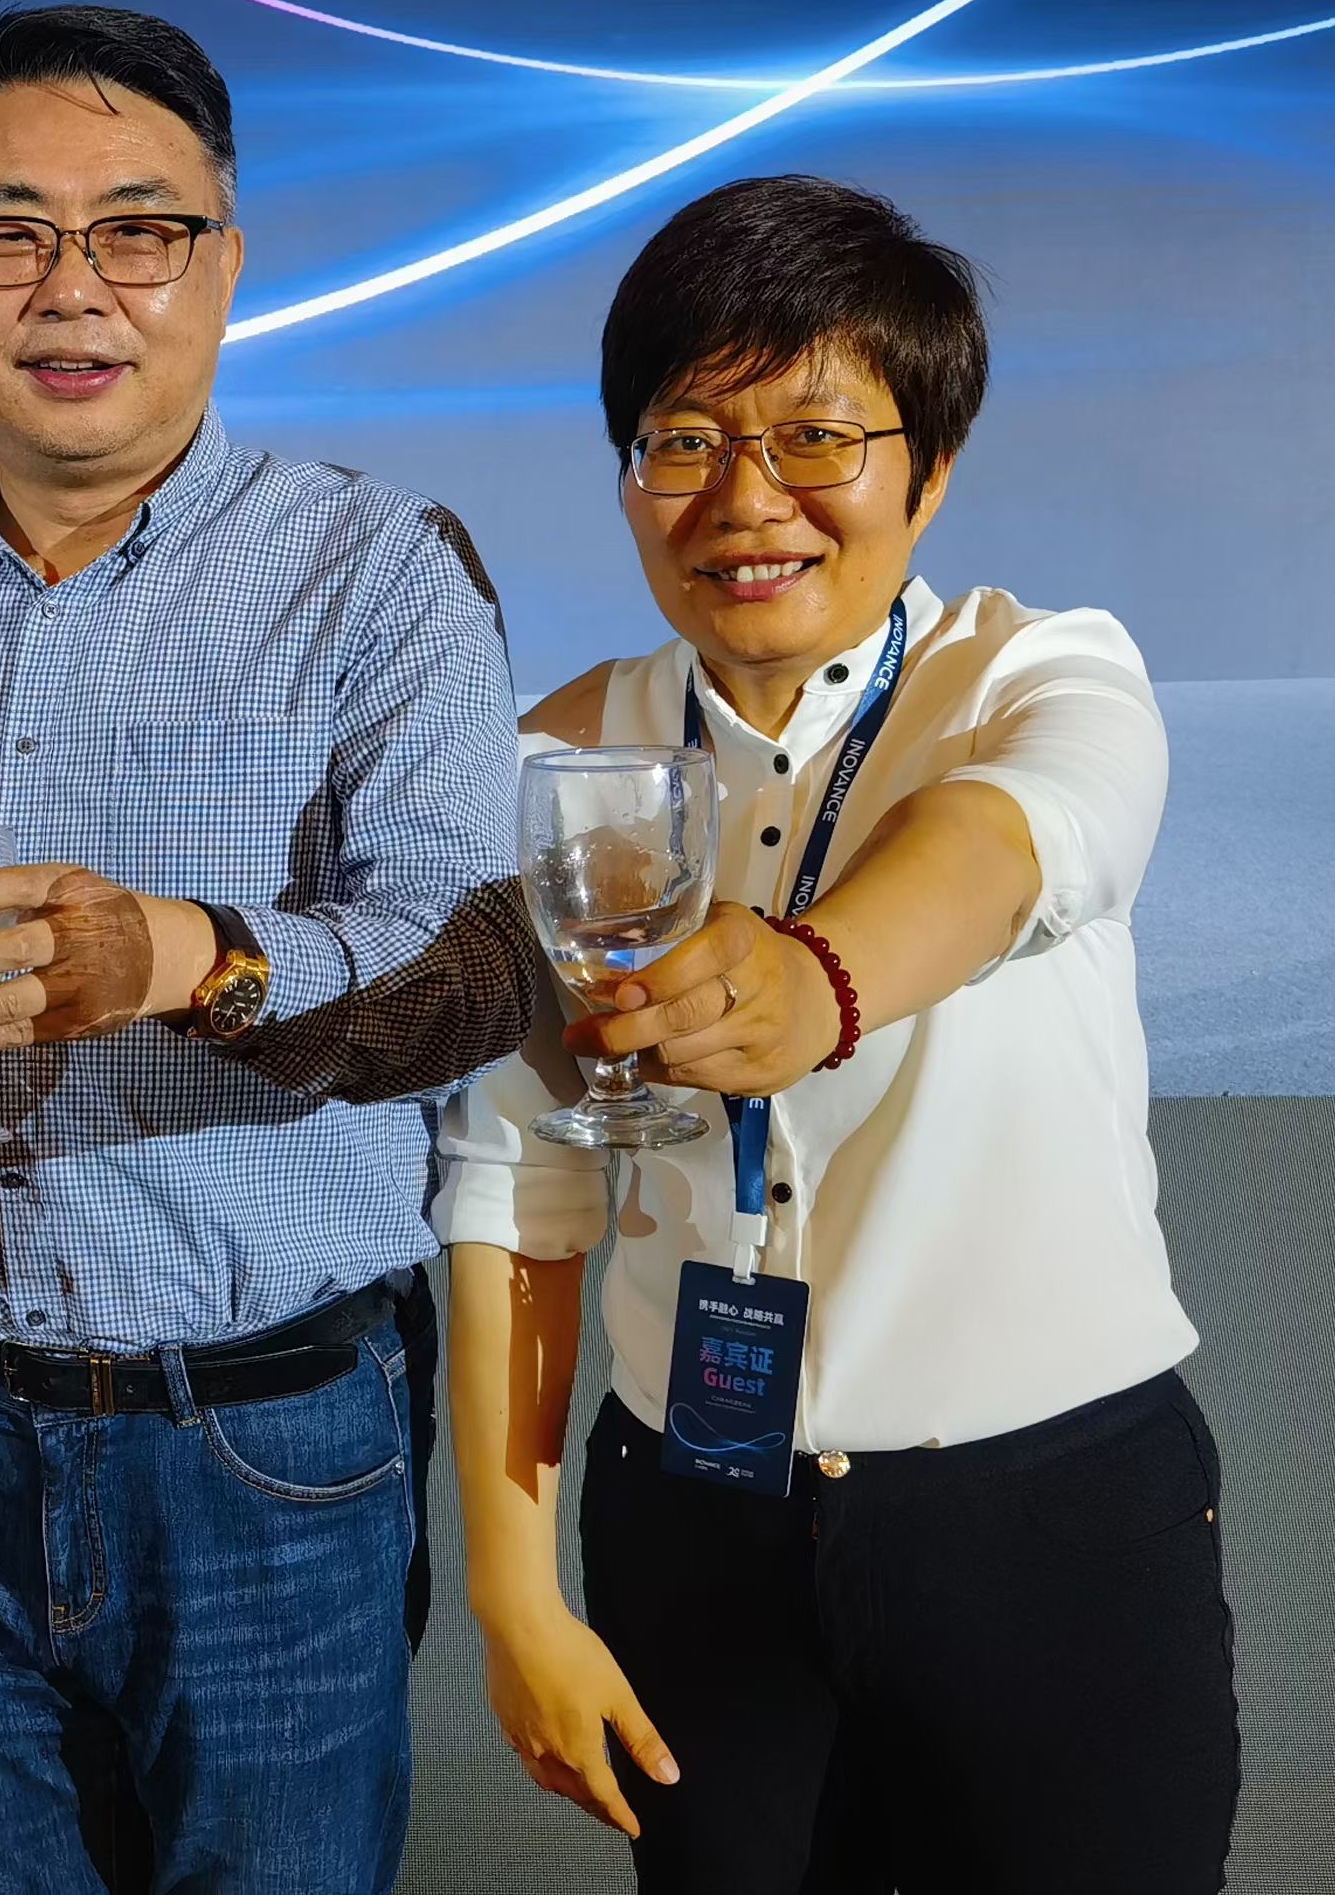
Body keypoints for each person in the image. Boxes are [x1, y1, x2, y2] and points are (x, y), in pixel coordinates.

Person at [0, 7, 538, 1887]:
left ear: (226, 262)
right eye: (7, 233)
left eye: (139, 230)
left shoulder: (374, 569)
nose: (72, 287)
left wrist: (186, 958)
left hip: (266, 1442)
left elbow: (473, 973)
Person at [441, 173, 1239, 1890]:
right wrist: (514, 1588)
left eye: (817, 439)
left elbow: (1017, 843)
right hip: (689, 1518)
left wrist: (815, 982)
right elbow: (519, 1181)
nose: (748, 503)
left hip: (1046, 1511)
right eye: (685, 442)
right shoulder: (552, 766)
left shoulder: (1038, 678)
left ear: (928, 470)